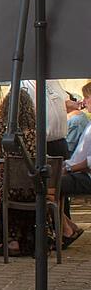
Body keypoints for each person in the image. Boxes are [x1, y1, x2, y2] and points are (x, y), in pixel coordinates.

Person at [0, 89, 57, 255]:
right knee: (27, 193)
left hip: (11, 189)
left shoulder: (1, 128)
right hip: (35, 188)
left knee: (1, 192)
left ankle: (11, 240)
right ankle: (35, 239)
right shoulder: (38, 131)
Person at [59, 81, 91, 246]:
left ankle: (67, 229)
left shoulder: (81, 121)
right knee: (48, 184)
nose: (84, 101)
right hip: (79, 171)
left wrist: (69, 168)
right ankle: (69, 227)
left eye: (87, 97)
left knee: (48, 186)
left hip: (86, 176)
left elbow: (89, 162)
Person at [22, 79, 70, 159]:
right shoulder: (22, 84)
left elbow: (65, 101)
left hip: (59, 142)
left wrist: (77, 104)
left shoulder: (52, 80)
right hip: (38, 144)